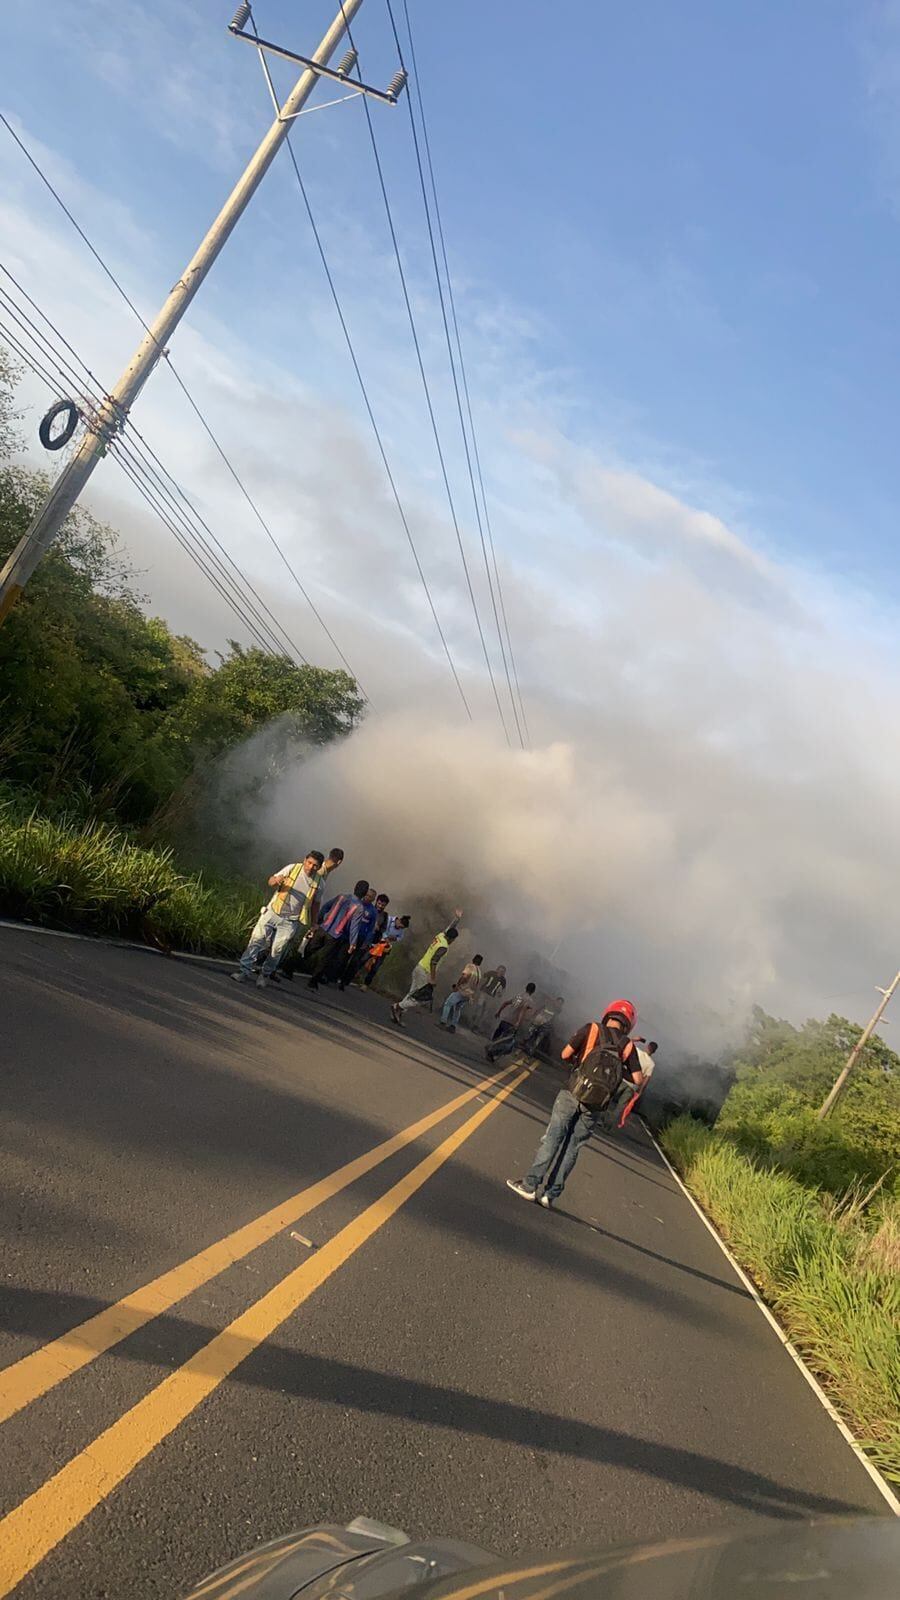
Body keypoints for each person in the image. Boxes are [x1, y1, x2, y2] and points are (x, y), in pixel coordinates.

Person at [506, 1000, 643, 1208]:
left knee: (553, 1138)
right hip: (597, 1103)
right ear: (629, 1023)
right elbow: (638, 1079)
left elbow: (565, 1055)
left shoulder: (592, 1028)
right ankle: (549, 1195)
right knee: (572, 1147)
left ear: (609, 1014)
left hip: (573, 1090)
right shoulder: (628, 1045)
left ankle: (529, 1186)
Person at [231, 852, 325, 988]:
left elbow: (316, 904)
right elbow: (271, 881)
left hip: (291, 921)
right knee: (256, 940)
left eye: (315, 865)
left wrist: (314, 923)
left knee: (277, 950)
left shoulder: (319, 884)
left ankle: (264, 975)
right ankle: (243, 971)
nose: (310, 867)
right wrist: (276, 881)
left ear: (319, 867)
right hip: (273, 911)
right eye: (309, 863)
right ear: (305, 860)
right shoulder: (292, 868)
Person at [278, 847, 344, 979]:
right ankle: (277, 967)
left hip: (300, 910)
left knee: (292, 940)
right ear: (339, 862)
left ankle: (278, 967)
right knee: (288, 939)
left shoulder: (324, 871)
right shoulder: (320, 871)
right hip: (297, 911)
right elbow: (313, 897)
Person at [391, 910, 462, 1026]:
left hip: (419, 966)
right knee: (420, 999)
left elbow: (449, 928)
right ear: (452, 939)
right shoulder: (444, 947)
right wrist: (433, 979)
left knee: (412, 993)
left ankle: (397, 1014)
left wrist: (457, 919)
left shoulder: (441, 936)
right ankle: (397, 1006)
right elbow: (434, 962)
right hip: (425, 972)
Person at [306, 880, 370, 990]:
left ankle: (289, 968)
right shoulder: (359, 907)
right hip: (335, 935)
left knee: (309, 949)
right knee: (324, 959)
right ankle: (313, 981)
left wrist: (318, 921)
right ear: (364, 894)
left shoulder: (342, 896)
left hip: (324, 928)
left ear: (355, 888)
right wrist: (353, 943)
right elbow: (354, 927)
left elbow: (326, 906)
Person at [337, 891, 387, 990]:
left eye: (383, 905)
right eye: (379, 903)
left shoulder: (376, 913)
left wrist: (367, 942)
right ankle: (333, 976)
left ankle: (344, 982)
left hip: (363, 940)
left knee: (354, 962)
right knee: (342, 957)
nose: (380, 906)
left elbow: (374, 930)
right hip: (351, 936)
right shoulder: (360, 905)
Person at [484, 983, 537, 1061]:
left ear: (526, 988)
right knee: (507, 1044)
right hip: (512, 1023)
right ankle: (491, 1050)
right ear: (533, 991)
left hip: (505, 1019)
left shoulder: (518, 996)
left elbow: (505, 1003)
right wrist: (518, 1022)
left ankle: (490, 1050)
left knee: (498, 1037)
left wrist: (499, 1012)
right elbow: (522, 1011)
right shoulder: (529, 1000)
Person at [357, 913, 411, 988]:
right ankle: (353, 974)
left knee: (376, 967)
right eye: (399, 926)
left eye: (401, 928)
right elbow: (382, 930)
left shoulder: (401, 930)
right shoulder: (388, 920)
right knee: (364, 959)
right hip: (376, 944)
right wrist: (386, 937)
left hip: (385, 948)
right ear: (398, 920)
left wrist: (395, 938)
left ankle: (366, 984)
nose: (399, 928)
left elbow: (400, 937)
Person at [438, 953, 483, 1033]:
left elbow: (465, 977)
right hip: (469, 994)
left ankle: (443, 1022)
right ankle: (453, 1026)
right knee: (458, 1008)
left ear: (473, 959)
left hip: (462, 990)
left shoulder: (470, 966)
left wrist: (457, 986)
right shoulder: (479, 972)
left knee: (448, 1004)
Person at [618, 1040, 658, 1127]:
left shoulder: (637, 1051)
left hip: (622, 1079)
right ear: (654, 1052)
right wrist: (640, 1092)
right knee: (621, 1106)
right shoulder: (651, 1064)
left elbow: (627, 1043)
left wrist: (637, 1039)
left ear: (647, 1047)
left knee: (608, 1098)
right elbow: (646, 1080)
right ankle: (608, 1124)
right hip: (633, 1086)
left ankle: (599, 1117)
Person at [470, 965, 507, 1033]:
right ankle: (474, 1017)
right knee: (479, 1006)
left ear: (504, 973)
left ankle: (476, 1026)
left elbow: (503, 989)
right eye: (500, 970)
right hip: (484, 992)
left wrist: (500, 993)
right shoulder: (491, 973)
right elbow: (483, 977)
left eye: (503, 972)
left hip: (491, 996)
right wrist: (478, 986)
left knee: (485, 1012)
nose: (501, 972)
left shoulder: (503, 980)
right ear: (497, 969)